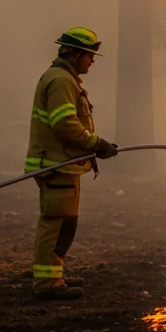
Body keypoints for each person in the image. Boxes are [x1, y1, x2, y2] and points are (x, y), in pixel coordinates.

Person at [26, 27, 119, 300]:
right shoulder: (61, 80)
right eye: (89, 56)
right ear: (76, 54)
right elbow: (65, 124)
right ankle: (47, 284)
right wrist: (95, 143)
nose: (92, 61)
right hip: (55, 164)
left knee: (65, 224)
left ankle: (54, 274)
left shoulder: (65, 79)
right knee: (55, 224)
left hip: (63, 163)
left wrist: (92, 147)